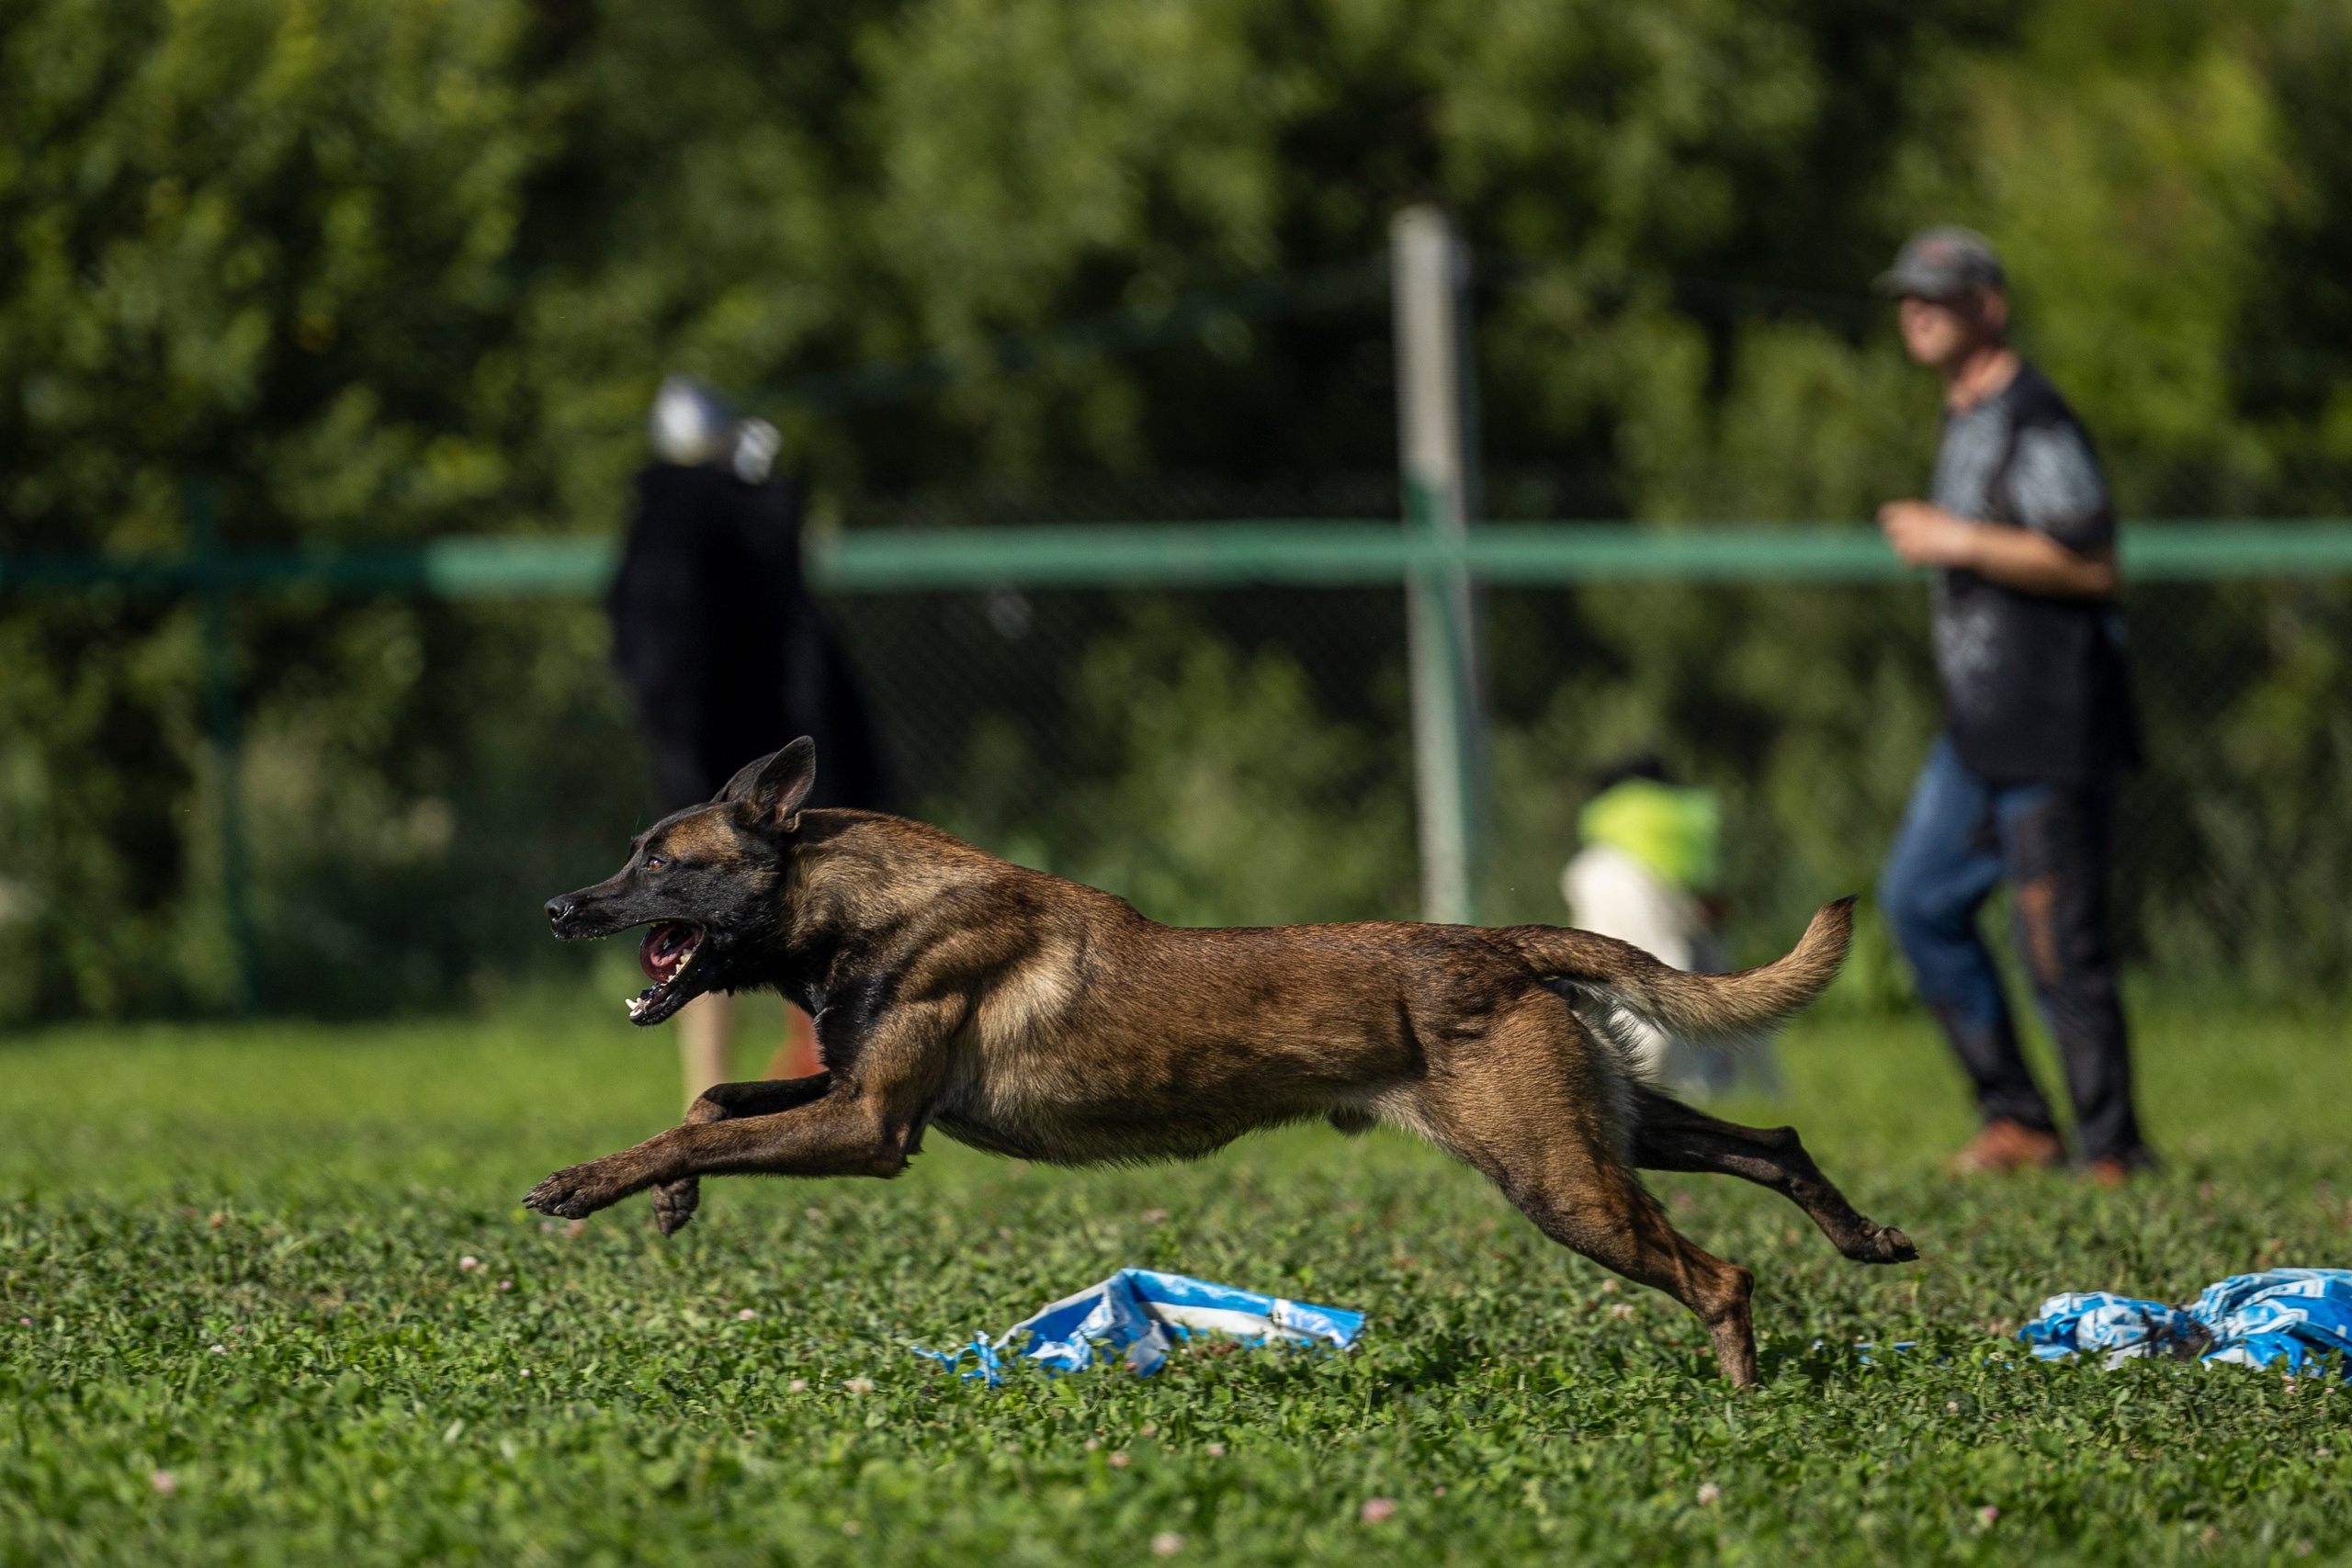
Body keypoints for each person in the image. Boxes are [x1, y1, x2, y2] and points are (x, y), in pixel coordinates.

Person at [1870, 226, 2152, 1185]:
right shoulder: (1965, 413)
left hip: (2050, 727)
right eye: (1908, 295)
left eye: (1937, 296)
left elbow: (2092, 559)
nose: (1916, 309)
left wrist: (1956, 538)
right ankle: (2017, 1118)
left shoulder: (2036, 419)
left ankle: (2111, 1147)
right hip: (1975, 736)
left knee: (2057, 949)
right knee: (1917, 903)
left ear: (1988, 306)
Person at [608, 376, 891, 1109]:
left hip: (739, 757)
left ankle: (799, 1071)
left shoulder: (675, 516)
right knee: (708, 917)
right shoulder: (685, 515)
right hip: (721, 757)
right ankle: (714, 1092)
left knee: (780, 910)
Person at [1560, 757, 1770, 1098]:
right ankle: (1737, 1089)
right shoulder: (1682, 819)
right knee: (1674, 992)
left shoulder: (1602, 837)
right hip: (1654, 911)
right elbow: (1704, 899)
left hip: (1593, 888)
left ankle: (1612, 1085)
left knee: (1603, 999)